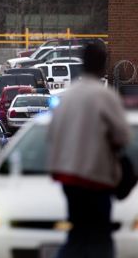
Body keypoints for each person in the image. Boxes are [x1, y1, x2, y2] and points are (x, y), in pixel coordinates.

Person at [47, 44, 131, 258]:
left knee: (78, 234)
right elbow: (123, 136)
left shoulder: (67, 97)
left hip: (68, 178)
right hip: (96, 178)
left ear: (82, 63)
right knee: (100, 237)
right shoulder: (104, 96)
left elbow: (52, 134)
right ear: (103, 65)